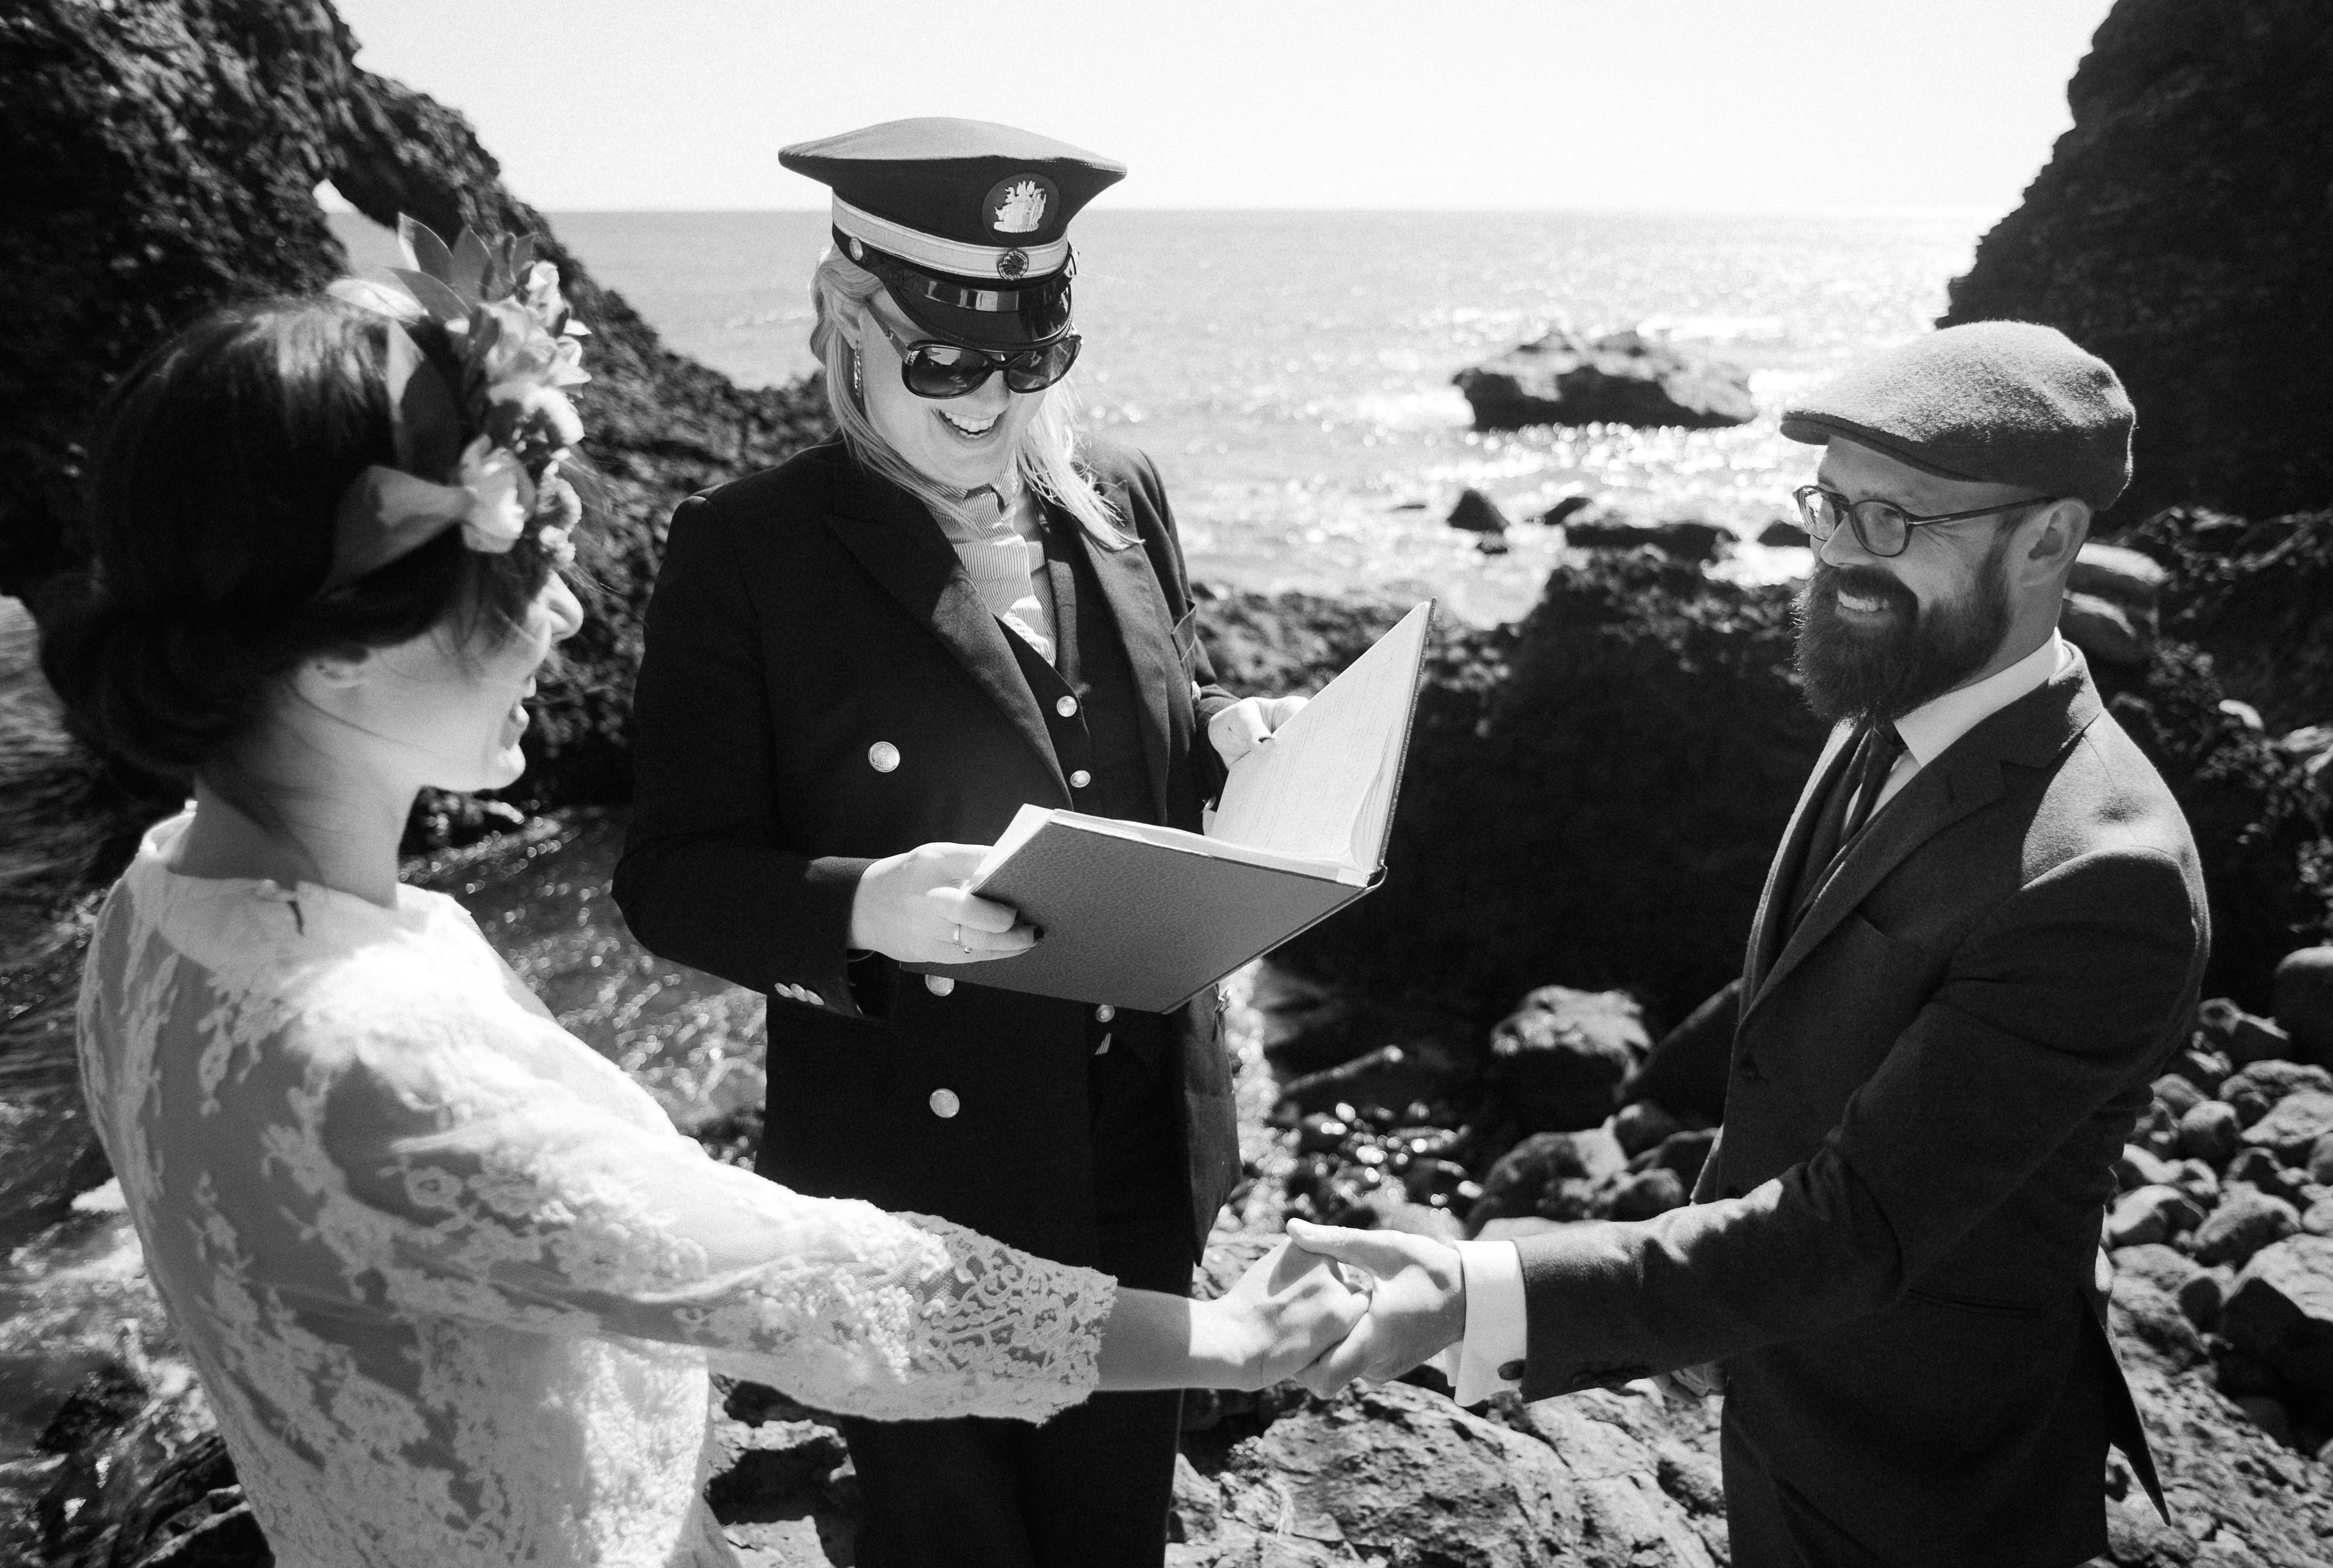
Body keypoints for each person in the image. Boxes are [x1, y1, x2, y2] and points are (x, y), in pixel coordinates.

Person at [40, 224, 1362, 1568]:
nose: (563, 618)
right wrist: (1235, 1336)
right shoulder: (373, 1059)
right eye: (516, 569)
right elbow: (844, 1302)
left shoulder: (159, 910)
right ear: (334, 655)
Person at [1289, 321, 2211, 1568]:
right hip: (1780, 1407)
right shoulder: (1888, 701)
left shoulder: (2104, 875)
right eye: (1830, 506)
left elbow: (1852, 1227)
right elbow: (1790, 1051)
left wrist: (1478, 1293)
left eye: (1896, 519)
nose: (1841, 555)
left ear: (2048, 539)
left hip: (1928, 1484)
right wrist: (1698, 1319)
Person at [610, 120, 1307, 1568]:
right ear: (848, 323)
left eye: (1032, 354)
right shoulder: (748, 550)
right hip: (916, 1182)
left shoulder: (1120, 490)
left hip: (1137, 1138)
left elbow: (1147, 703)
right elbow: (669, 876)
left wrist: (1232, 733)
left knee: (1113, 1535)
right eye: (945, 359)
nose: (994, 397)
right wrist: (865, 906)